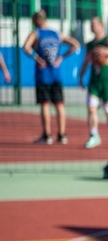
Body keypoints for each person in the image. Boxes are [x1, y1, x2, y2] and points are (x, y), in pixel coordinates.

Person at [23, 10, 80, 145]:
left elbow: (25, 47)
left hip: (43, 75)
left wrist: (36, 58)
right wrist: (61, 57)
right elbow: (75, 44)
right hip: (56, 74)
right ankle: (62, 135)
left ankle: (47, 135)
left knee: (45, 104)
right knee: (59, 105)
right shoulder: (57, 34)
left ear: (37, 21)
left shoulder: (36, 33)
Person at [78, 16, 108, 149]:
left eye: (95, 24)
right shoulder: (90, 44)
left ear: (101, 26)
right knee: (91, 108)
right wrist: (81, 76)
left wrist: (105, 51)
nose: (92, 26)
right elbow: (86, 60)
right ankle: (94, 135)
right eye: (91, 24)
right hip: (94, 78)